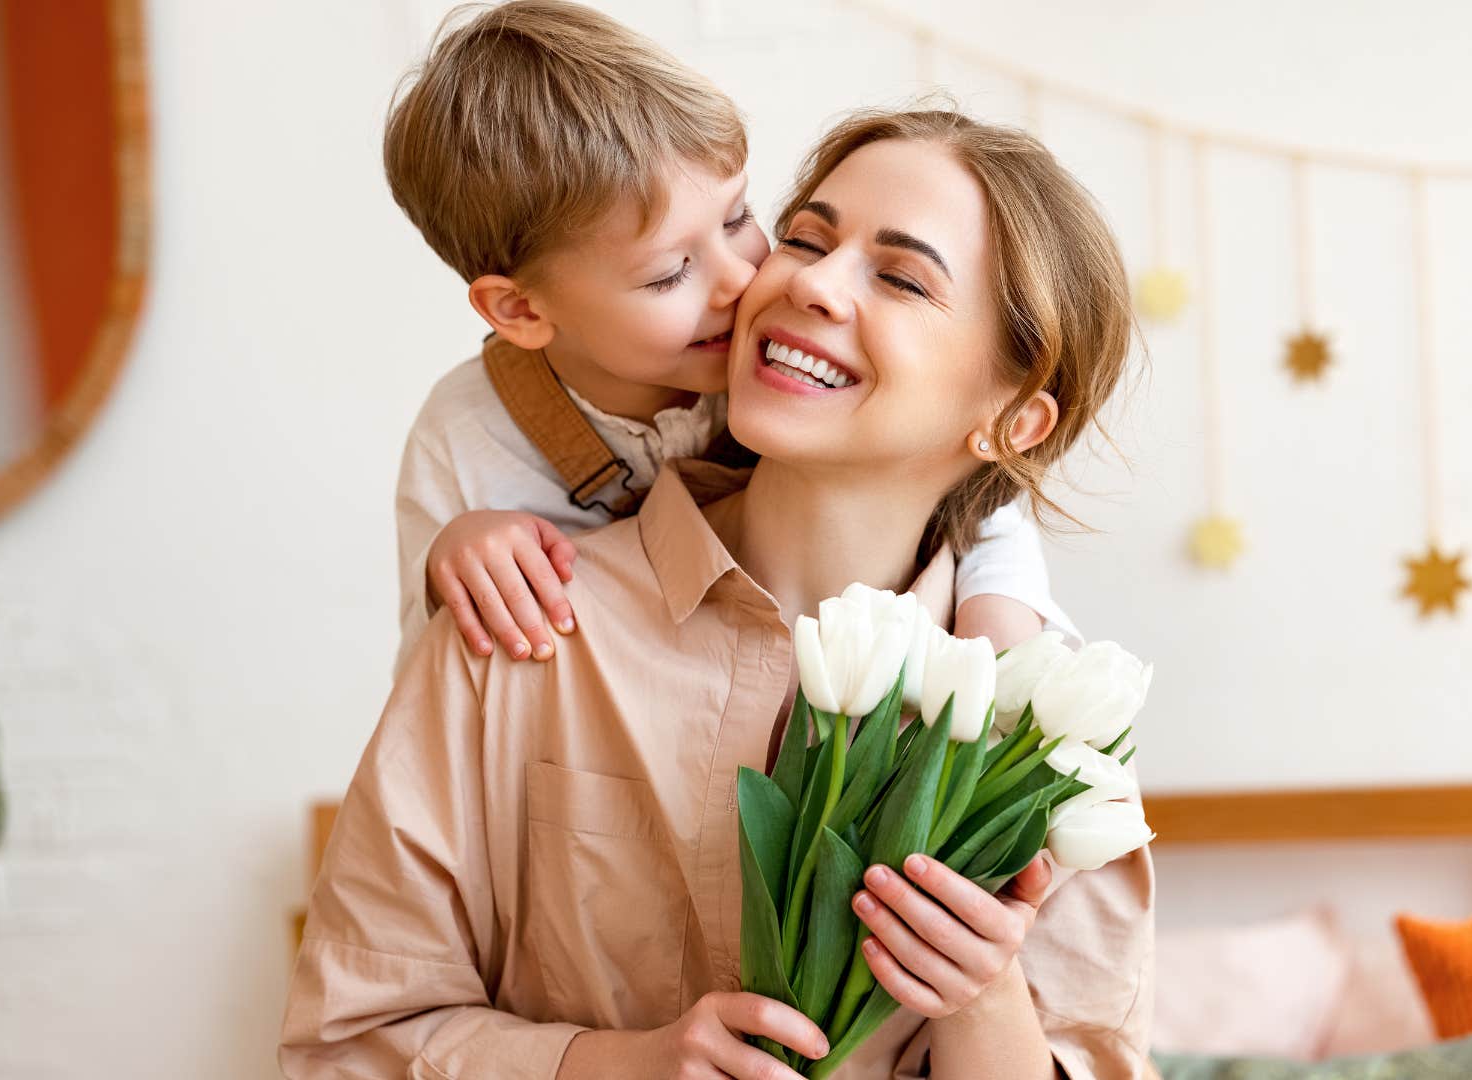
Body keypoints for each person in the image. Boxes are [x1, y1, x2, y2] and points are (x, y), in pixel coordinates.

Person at [281, 106, 1151, 1079]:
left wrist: (983, 999)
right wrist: (619, 1067)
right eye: (808, 237)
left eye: (900, 276)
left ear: (1014, 418)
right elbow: (346, 1048)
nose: (809, 282)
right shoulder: (522, 629)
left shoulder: (1048, 733)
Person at [383, 1, 1074, 680]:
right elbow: (434, 691)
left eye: (740, 216)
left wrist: (1001, 608)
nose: (740, 276)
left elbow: (971, 490)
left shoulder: (767, 366)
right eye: (670, 273)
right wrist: (454, 558)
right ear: (520, 310)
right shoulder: (464, 438)